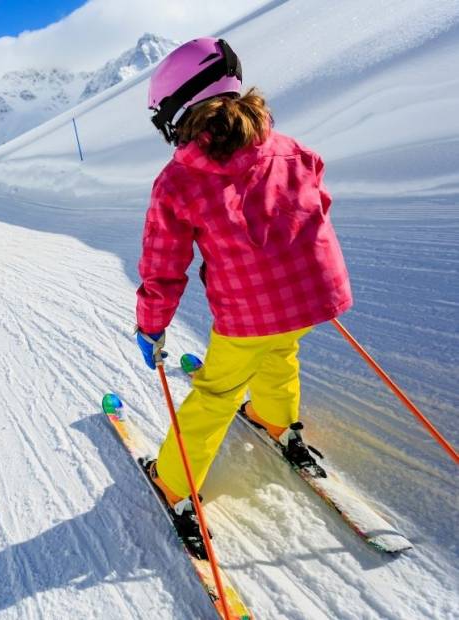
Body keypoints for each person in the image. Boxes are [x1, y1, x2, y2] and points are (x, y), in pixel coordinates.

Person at [134, 38, 352, 541]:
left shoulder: (179, 180)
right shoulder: (292, 148)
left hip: (249, 313)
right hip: (310, 297)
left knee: (216, 392)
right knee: (281, 351)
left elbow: (163, 267)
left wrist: (151, 325)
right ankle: (278, 422)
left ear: (178, 109)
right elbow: (317, 205)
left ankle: (172, 481)